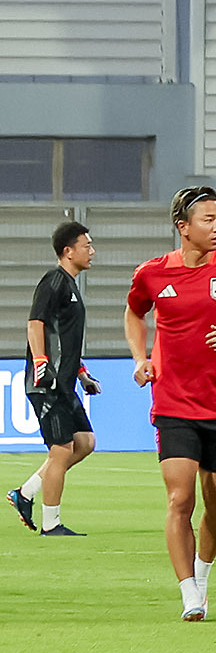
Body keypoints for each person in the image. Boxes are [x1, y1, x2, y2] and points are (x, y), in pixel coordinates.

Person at [124, 186, 216, 621]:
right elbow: (135, 312)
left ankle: (203, 573)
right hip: (173, 404)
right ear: (182, 228)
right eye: (208, 219)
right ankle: (189, 591)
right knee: (179, 499)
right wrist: (141, 358)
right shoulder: (153, 274)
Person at [16, 221, 100, 537]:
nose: (91, 251)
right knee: (62, 448)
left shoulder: (71, 286)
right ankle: (51, 524)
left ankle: (25, 492)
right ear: (68, 251)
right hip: (47, 382)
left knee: (85, 442)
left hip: (64, 382)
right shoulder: (54, 281)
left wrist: (81, 374)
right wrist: (40, 362)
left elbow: (64, 338)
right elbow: (35, 323)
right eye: (86, 245)